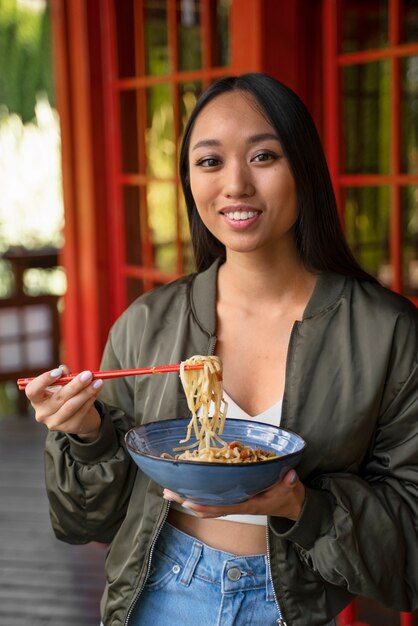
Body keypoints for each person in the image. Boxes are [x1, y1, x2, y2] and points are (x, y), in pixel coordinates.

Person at [25, 73, 418, 626]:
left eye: (263, 156)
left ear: (302, 167)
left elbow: (412, 538)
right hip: (160, 590)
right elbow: (85, 522)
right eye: (210, 162)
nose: (236, 185)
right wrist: (87, 435)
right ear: (190, 180)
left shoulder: (385, 331)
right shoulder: (146, 322)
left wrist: (299, 506)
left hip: (291, 606)